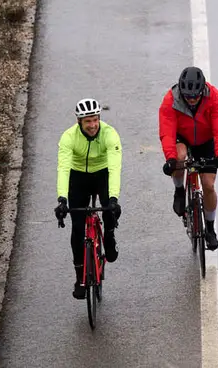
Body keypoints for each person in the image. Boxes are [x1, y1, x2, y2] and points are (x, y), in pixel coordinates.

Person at [55, 98, 123, 300]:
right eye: (88, 121)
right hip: (78, 176)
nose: (93, 125)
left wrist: (114, 198)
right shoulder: (68, 137)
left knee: (109, 209)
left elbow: (114, 168)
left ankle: (109, 237)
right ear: (79, 122)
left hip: (102, 174)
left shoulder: (110, 134)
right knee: (77, 228)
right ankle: (80, 278)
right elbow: (63, 169)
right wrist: (62, 199)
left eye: (95, 120)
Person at [159, 66, 218, 250]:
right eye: (187, 97)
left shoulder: (215, 97)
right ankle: (179, 190)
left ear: (202, 91)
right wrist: (170, 159)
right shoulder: (170, 100)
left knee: (208, 185)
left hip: (206, 140)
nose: (191, 100)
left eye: (195, 97)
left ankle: (210, 228)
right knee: (180, 157)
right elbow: (167, 132)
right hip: (182, 137)